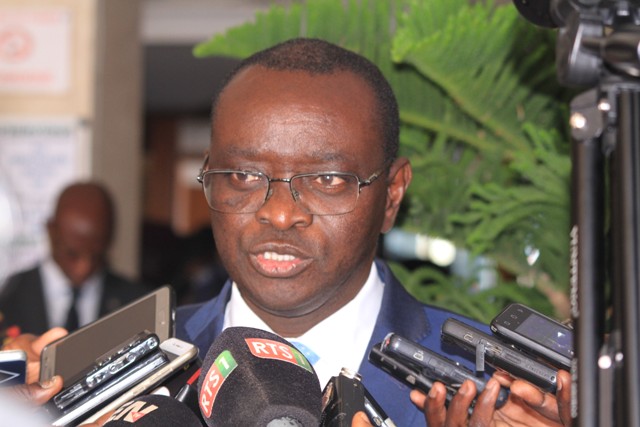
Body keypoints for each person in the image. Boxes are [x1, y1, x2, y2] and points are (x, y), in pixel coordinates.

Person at [174, 37, 571, 426]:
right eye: (243, 175)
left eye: (327, 179)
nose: (279, 214)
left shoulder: (507, 394)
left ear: (392, 194)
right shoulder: (149, 368)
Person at [0, 181, 149, 336]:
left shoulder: (137, 303)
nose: (84, 268)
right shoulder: (7, 295)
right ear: (51, 231)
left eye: (96, 256)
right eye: (72, 254)